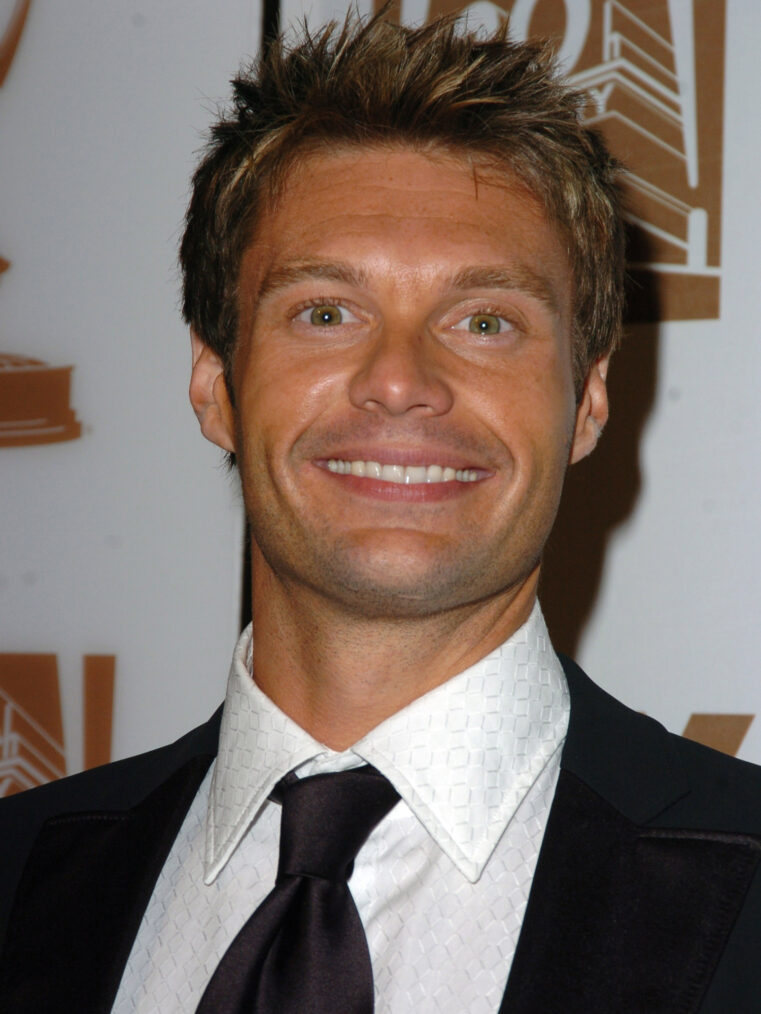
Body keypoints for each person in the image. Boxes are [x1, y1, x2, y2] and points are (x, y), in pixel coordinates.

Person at [2, 13, 761, 1013]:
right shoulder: (17, 875)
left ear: (586, 401)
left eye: (483, 321)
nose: (400, 381)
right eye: (325, 312)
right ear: (215, 384)